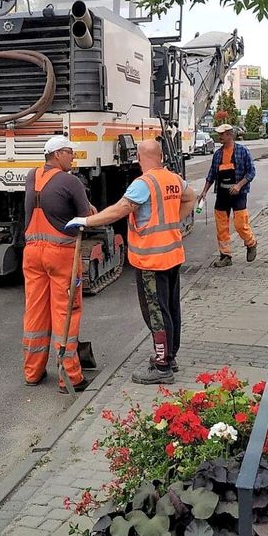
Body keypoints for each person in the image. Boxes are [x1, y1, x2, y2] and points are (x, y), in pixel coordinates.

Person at [65, 139, 195, 384]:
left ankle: (162, 367)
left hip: (151, 260)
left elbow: (119, 210)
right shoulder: (173, 179)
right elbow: (191, 197)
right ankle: (169, 356)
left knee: (156, 313)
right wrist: (174, 223)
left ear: (139, 157)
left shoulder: (143, 184)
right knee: (171, 309)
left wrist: (86, 221)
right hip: (172, 255)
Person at [21, 135, 97, 393]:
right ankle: (71, 377)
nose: (73, 157)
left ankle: (32, 372)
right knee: (66, 313)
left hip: (32, 253)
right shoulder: (70, 181)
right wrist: (92, 211)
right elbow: (85, 217)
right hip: (61, 255)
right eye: (70, 152)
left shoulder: (32, 176)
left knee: (35, 312)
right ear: (57, 154)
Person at [196, 123, 257, 267]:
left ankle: (251, 243)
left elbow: (251, 172)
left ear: (230, 134)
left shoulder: (243, 151)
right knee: (221, 225)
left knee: (240, 224)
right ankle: (225, 256)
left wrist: (239, 185)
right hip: (222, 194)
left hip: (239, 194)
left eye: (222, 134)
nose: (219, 137)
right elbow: (212, 174)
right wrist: (204, 192)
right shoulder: (218, 154)